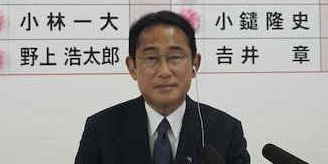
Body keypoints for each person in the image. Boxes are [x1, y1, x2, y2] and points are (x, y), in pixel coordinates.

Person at [75, 10, 250, 164]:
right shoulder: (101, 129)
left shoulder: (226, 130)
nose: (164, 71)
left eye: (175, 57)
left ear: (194, 64)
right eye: (151, 58)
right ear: (132, 68)